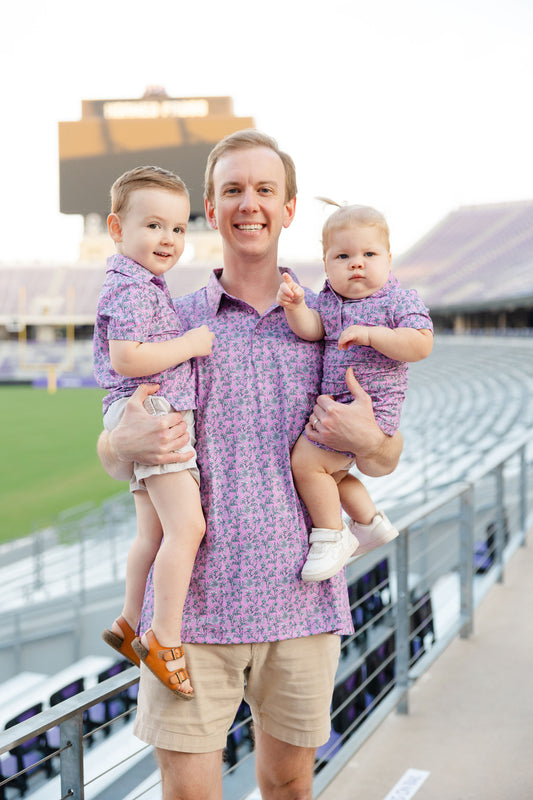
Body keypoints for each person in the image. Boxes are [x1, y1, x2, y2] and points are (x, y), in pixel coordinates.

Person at [97, 130, 403, 800]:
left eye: (264, 189)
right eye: (233, 189)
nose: (249, 203)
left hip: (300, 605)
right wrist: (121, 446)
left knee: (290, 788)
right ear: (210, 205)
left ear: (289, 207)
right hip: (193, 619)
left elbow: (382, 455)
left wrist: (369, 438)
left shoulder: (330, 321)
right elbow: (114, 446)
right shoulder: (172, 323)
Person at [94, 165, 215, 699]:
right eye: (154, 226)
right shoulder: (133, 287)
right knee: (188, 530)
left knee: (154, 533)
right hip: (156, 412)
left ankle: (127, 621)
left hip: (143, 409)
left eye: (178, 228)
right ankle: (164, 641)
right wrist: (191, 344)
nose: (168, 238)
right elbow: (126, 357)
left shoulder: (143, 284)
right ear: (118, 229)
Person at [277, 202, 433, 582]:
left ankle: (331, 535)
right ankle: (369, 523)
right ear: (326, 263)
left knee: (306, 464)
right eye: (343, 256)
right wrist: (297, 307)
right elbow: (313, 329)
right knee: (333, 475)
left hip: (371, 410)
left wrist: (370, 334)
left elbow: (420, 344)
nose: (356, 264)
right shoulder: (330, 299)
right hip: (339, 410)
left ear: (389, 258)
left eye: (369, 254)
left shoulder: (399, 300)